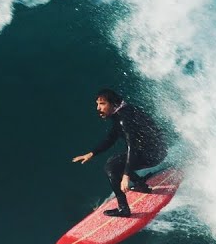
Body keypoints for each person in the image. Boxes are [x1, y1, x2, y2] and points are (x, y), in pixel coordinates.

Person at [72, 88, 169, 217]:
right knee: (116, 162)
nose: (98, 108)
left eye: (102, 104)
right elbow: (112, 137)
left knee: (111, 166)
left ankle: (124, 209)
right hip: (157, 151)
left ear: (113, 104)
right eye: (97, 104)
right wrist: (92, 153)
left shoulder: (124, 119)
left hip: (153, 154)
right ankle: (140, 184)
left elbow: (132, 147)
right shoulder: (124, 111)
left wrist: (126, 176)